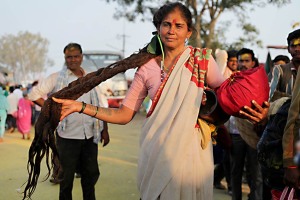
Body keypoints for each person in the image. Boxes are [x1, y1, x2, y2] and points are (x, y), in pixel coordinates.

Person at [52, 3, 269, 200]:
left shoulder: (202, 61)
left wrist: (256, 113)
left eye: (178, 25)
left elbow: (228, 99)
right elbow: (124, 114)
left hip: (192, 151)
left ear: (189, 31)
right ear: (158, 28)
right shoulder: (146, 68)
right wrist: (80, 106)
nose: (171, 30)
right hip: (157, 149)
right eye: (166, 24)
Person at [28, 42, 110, 199]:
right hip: (67, 137)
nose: (72, 60)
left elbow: (98, 105)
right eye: (69, 57)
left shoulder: (90, 78)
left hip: (90, 136)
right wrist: (51, 108)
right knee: (66, 180)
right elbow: (34, 94)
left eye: (76, 56)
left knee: (90, 176)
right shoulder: (56, 78)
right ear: (65, 58)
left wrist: (104, 129)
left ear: (81, 57)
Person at [230, 48, 264, 200]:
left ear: (253, 62)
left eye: (246, 61)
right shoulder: (231, 80)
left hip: (254, 133)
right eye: (240, 61)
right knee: (236, 170)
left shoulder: (261, 80)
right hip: (235, 133)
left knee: (255, 173)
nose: (243, 64)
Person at [281, 30, 300, 197]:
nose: (297, 49)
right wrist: (290, 164)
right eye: (294, 45)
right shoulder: (281, 71)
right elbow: (293, 118)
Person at [269, 29, 300, 102]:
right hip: (285, 112)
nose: (297, 49)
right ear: (288, 49)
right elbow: (271, 95)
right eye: (293, 46)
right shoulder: (279, 70)